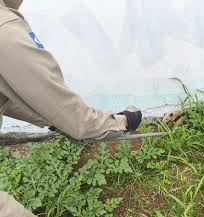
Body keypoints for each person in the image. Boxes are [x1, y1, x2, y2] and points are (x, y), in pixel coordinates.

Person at [0, 0, 142, 215]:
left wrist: (54, 122)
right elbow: (59, 102)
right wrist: (122, 121)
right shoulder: (4, 28)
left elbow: (8, 99)